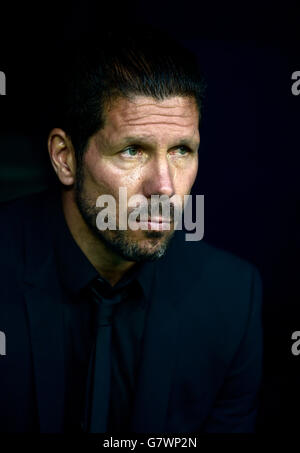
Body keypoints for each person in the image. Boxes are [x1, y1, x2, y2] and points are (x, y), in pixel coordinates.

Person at [0, 26, 263, 433]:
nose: (164, 186)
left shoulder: (231, 300)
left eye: (181, 151)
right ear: (65, 158)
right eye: (132, 150)